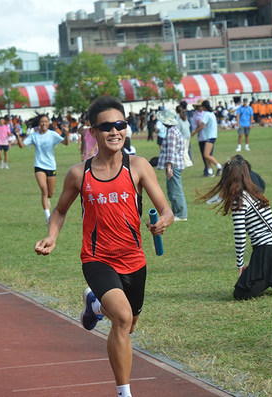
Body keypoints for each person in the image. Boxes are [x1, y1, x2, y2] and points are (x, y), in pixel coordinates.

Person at [35, 96, 172, 397]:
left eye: (120, 124)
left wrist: (163, 221)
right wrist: (52, 237)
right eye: (106, 126)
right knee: (122, 318)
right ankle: (124, 393)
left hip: (134, 260)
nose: (114, 131)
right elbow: (59, 210)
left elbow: (166, 210)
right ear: (93, 132)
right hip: (97, 260)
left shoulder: (138, 166)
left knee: (129, 325)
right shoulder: (79, 173)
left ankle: (94, 305)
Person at [199, 156, 272, 300]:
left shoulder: (239, 200)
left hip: (264, 249)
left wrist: (240, 263)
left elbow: (240, 235)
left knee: (240, 294)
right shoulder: (256, 194)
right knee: (250, 282)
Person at [15, 114, 69, 224]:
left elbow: (66, 143)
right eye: (42, 122)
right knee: (44, 189)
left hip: (51, 166)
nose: (44, 123)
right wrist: (17, 135)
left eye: (46, 121)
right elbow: (21, 145)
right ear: (39, 124)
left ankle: (47, 200)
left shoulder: (53, 134)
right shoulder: (34, 136)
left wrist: (67, 133)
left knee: (50, 194)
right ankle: (48, 217)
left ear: (48, 123)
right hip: (39, 165)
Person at [157, 109, 187, 221]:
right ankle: (178, 212)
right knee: (174, 189)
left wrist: (169, 167)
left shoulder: (171, 132)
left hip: (173, 165)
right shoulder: (175, 130)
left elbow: (171, 151)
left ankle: (180, 214)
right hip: (177, 163)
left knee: (175, 190)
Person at [191, 100, 222, 177]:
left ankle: (219, 166)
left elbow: (202, 126)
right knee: (206, 156)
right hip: (211, 136)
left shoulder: (207, 114)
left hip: (210, 136)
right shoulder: (211, 113)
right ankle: (210, 172)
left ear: (204, 107)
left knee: (206, 155)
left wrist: (194, 132)